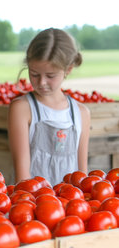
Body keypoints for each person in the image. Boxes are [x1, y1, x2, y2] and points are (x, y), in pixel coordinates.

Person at [8, 28, 91, 186]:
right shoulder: (22, 108)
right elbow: (22, 177)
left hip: (71, 205)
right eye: (34, 74)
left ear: (68, 70)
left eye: (50, 76)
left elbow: (82, 176)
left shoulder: (81, 113)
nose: (42, 83)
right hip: (29, 202)